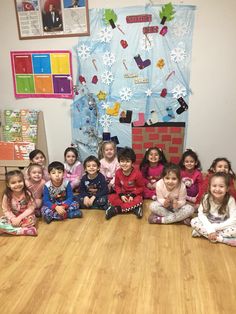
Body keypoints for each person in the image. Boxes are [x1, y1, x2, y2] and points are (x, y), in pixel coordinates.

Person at [191, 172, 236, 246]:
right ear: (209, 187)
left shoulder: (230, 200)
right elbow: (201, 214)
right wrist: (210, 228)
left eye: (221, 186)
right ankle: (222, 240)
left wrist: (212, 228)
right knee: (194, 221)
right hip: (208, 224)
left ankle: (201, 233)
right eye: (214, 186)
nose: (217, 189)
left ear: (227, 188)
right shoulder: (206, 198)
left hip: (223, 225)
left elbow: (234, 219)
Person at [105, 147, 144, 220]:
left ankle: (116, 210)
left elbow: (141, 187)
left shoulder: (137, 173)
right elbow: (117, 185)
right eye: (122, 161)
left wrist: (133, 195)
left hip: (134, 195)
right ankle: (133, 209)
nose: (124, 164)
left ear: (132, 162)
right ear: (119, 162)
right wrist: (121, 195)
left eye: (127, 161)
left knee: (138, 200)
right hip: (124, 194)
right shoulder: (118, 172)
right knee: (111, 197)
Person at [0, 170, 37, 236]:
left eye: (20, 181)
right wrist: (13, 219)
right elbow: (6, 210)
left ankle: (12, 230)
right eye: (13, 183)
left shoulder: (27, 193)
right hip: (13, 217)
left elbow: (31, 208)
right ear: (8, 184)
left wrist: (19, 218)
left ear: (23, 181)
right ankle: (23, 231)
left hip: (25, 217)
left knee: (31, 220)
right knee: (1, 223)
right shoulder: (7, 195)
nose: (17, 184)